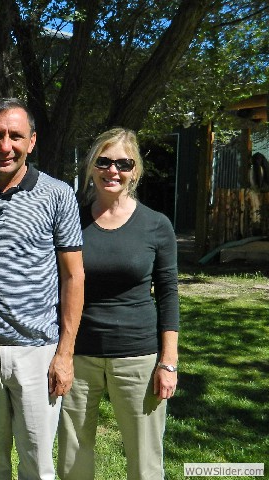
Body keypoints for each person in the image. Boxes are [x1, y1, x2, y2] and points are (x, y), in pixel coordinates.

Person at [0, 98, 85, 480]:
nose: (5, 145)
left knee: (37, 464)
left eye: (16, 136)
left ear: (32, 141)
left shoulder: (57, 195)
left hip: (39, 353)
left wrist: (65, 353)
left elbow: (73, 276)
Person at [57, 127, 179, 480]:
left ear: (136, 171)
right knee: (73, 458)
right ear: (92, 166)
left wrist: (168, 362)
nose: (113, 170)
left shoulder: (157, 225)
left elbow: (169, 294)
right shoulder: (70, 220)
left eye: (124, 163)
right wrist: (60, 353)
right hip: (79, 355)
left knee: (145, 461)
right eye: (104, 161)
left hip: (138, 356)